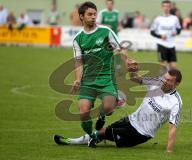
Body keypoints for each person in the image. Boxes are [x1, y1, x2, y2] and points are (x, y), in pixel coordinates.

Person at [54, 66, 183, 152]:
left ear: (177, 84)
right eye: (164, 78)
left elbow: (173, 127)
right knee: (101, 132)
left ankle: (71, 141)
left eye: (169, 80)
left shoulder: (175, 102)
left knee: (101, 133)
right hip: (130, 119)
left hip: (140, 133)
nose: (164, 81)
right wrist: (133, 69)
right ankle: (90, 135)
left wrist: (169, 151)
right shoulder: (157, 82)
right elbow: (135, 78)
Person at [70, 1, 129, 144]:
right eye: (89, 14)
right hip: (88, 81)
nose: (93, 17)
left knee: (109, 108)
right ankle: (92, 135)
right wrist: (78, 79)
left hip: (106, 78)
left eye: (95, 14)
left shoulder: (105, 31)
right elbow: (78, 62)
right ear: (81, 16)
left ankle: (102, 115)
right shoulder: (78, 39)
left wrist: (126, 62)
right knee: (84, 112)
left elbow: (120, 49)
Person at [150, 0, 181, 69]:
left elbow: (179, 29)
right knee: (163, 67)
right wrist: (160, 36)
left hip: (171, 45)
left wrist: (176, 32)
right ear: (162, 7)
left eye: (168, 6)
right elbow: (152, 32)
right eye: (164, 6)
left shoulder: (175, 18)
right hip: (161, 45)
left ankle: (170, 79)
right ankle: (162, 80)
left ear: (170, 7)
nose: (166, 8)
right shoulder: (158, 19)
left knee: (173, 67)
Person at [97, 0, 123, 75]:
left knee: (117, 50)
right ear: (106, 5)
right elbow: (98, 23)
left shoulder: (116, 13)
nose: (109, 5)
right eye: (108, 4)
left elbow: (120, 23)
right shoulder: (102, 13)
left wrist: (120, 26)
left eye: (110, 4)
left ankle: (118, 67)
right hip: (105, 35)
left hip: (114, 35)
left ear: (113, 4)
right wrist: (106, 26)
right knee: (105, 51)